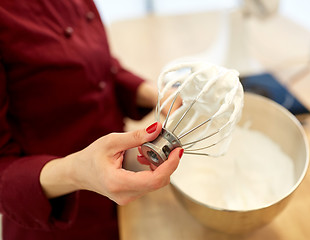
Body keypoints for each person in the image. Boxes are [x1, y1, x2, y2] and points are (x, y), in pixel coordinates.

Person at [0, 1, 183, 239]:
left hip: (120, 192)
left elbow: (95, 64)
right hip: (59, 219)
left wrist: (150, 92)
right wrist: (76, 172)